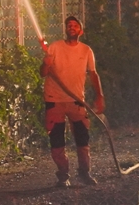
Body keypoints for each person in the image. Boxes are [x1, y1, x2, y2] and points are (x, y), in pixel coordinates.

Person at [40, 15, 104, 187]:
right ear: (65, 29)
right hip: (55, 100)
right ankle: (63, 175)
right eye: (69, 25)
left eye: (75, 25)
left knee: (83, 138)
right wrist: (46, 63)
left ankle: (85, 172)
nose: (71, 27)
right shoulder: (54, 47)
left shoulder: (86, 51)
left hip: (77, 101)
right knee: (56, 139)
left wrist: (99, 96)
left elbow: (93, 74)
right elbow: (43, 72)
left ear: (80, 31)